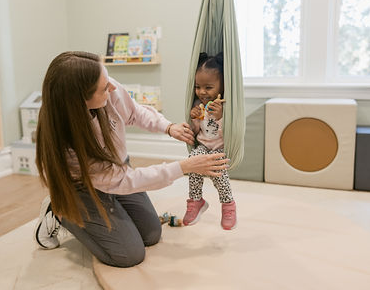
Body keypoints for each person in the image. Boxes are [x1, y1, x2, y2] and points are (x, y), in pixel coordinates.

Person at [33, 51, 229, 267]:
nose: (113, 88)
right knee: (129, 254)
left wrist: (167, 127)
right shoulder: (67, 139)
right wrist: (184, 167)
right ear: (80, 100)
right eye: (103, 88)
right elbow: (124, 181)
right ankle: (61, 211)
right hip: (84, 186)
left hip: (116, 172)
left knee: (151, 234)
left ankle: (110, 206)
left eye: (107, 80)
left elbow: (135, 112)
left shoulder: (106, 86)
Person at [182, 52, 237, 230]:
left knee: (219, 173)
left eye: (208, 87)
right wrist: (195, 119)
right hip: (203, 146)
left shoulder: (225, 107)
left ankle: (228, 206)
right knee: (193, 163)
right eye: (198, 87)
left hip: (219, 148)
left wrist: (220, 116)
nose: (202, 92)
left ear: (221, 86)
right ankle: (195, 202)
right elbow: (197, 132)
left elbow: (229, 133)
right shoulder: (199, 103)